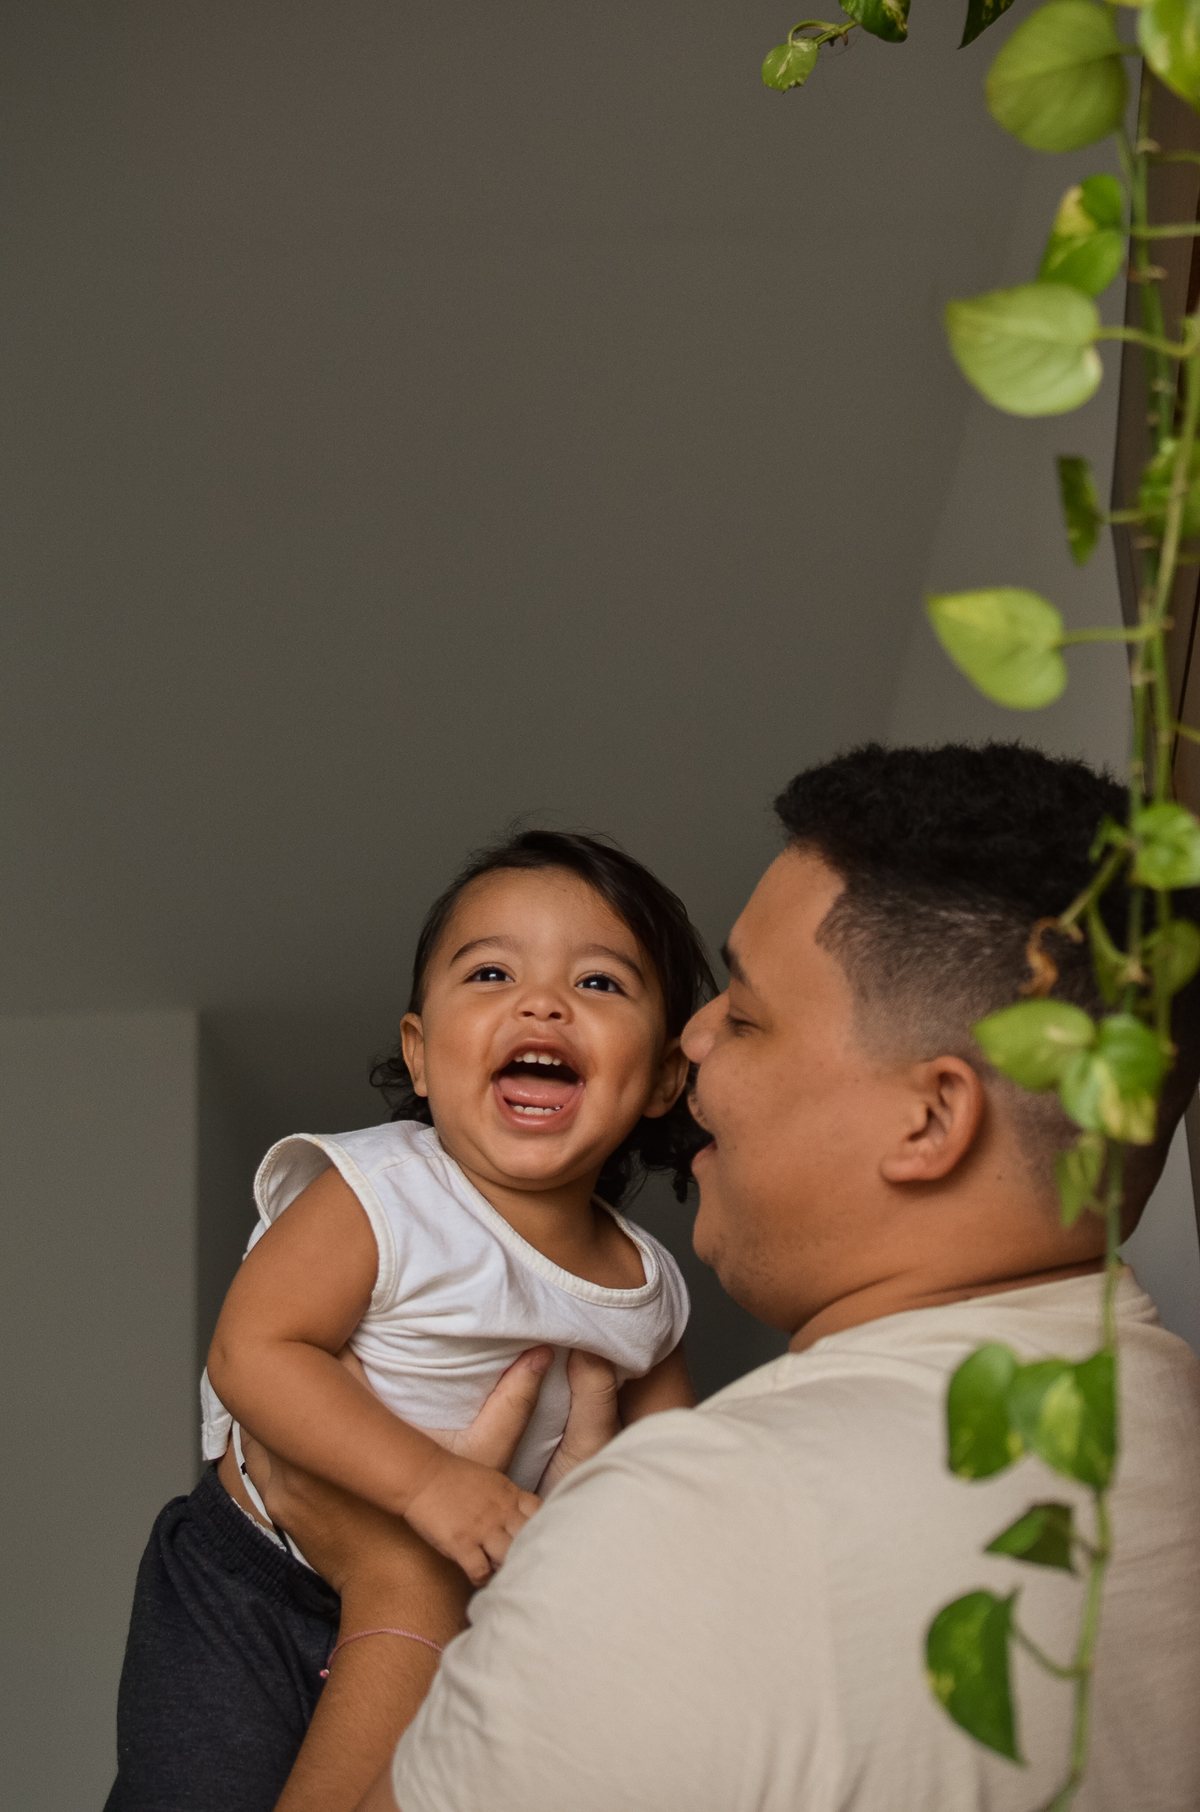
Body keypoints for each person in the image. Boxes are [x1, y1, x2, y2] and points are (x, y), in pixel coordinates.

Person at [252, 742, 1200, 1812]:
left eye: (744, 1015)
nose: (693, 1037)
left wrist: (400, 1585)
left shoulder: (696, 1525)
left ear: (929, 1119)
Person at [104, 829, 715, 1812]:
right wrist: (431, 1485)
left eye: (600, 984)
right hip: (256, 1580)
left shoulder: (646, 1284)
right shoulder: (386, 1188)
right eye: (490, 972)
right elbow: (254, 1351)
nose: (542, 1001)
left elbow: (675, 1475)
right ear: (421, 1055)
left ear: (661, 1082)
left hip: (466, 1609)